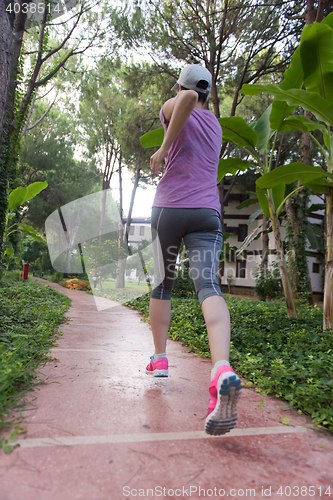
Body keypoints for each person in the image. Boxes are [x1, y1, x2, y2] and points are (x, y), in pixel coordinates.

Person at [145, 64, 242, 436]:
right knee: (208, 287)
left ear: (183, 86)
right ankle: (221, 369)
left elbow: (184, 100)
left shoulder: (176, 102)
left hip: (170, 207)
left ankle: (160, 358)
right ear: (210, 93)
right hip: (207, 212)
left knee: (162, 283)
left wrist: (162, 149)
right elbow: (195, 100)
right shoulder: (216, 125)